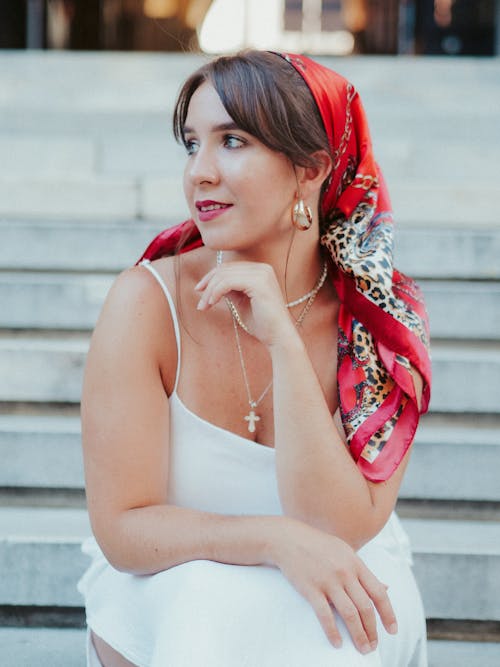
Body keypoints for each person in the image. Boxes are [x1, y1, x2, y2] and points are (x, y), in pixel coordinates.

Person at [77, 50, 431, 667]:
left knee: (334, 630)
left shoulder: (380, 321)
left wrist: (285, 344)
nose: (199, 173)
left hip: (341, 568)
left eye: (232, 141)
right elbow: (123, 529)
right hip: (174, 571)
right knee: (204, 605)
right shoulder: (147, 301)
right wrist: (272, 539)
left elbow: (339, 528)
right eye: (192, 145)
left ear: (310, 169)